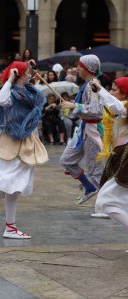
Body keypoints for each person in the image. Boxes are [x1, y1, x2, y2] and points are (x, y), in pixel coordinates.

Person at [0, 61, 49, 239]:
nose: (30, 74)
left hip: (22, 141)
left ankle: (10, 227)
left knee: (15, 186)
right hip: (10, 141)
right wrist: (10, 79)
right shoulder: (12, 94)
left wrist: (28, 71)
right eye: (28, 72)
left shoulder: (27, 93)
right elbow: (0, 100)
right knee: (15, 182)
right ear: (19, 74)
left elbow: (38, 97)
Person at [60, 55, 103, 204]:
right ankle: (89, 187)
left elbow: (97, 110)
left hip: (93, 130)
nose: (77, 69)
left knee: (95, 169)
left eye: (79, 66)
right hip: (83, 128)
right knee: (67, 160)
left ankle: (105, 206)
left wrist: (74, 106)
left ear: (87, 68)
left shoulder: (93, 85)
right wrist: (73, 105)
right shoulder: (86, 85)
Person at [92, 77, 128, 228]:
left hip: (125, 157)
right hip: (120, 156)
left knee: (105, 200)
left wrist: (101, 89)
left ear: (124, 94)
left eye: (114, 89)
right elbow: (111, 107)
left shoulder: (125, 106)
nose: (111, 92)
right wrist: (99, 92)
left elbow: (117, 107)